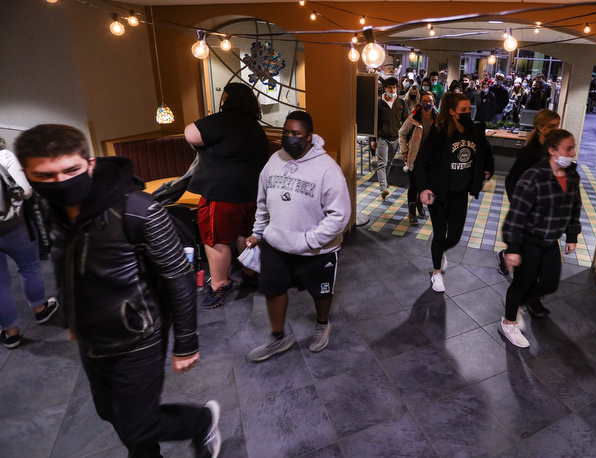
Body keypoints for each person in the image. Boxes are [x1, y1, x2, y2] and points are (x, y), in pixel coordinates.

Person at [14, 124, 220, 458]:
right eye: (45, 176)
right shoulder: (45, 207)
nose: (60, 183)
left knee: (138, 423)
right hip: (90, 335)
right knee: (111, 413)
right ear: (28, 174)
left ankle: (200, 421)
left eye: (71, 170)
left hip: (138, 335)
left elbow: (178, 276)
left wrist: (186, 343)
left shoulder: (138, 209)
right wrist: (69, 315)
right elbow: (64, 263)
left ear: (90, 165)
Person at [245, 111, 350, 362]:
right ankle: (278, 337)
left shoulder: (328, 170)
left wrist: (309, 240)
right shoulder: (274, 160)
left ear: (309, 137)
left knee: (321, 292)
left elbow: (340, 216)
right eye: (285, 132)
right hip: (276, 243)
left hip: (316, 250)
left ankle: (322, 324)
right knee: (272, 290)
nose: (288, 138)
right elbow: (263, 200)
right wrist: (258, 233)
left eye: (295, 134)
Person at [184, 82, 270, 309]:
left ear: (226, 98)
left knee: (216, 239)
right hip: (253, 194)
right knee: (246, 234)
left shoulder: (224, 120)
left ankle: (220, 284)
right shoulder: (255, 126)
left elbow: (190, 133)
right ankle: (250, 273)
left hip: (222, 194)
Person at [499, 129, 581, 348]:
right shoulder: (533, 177)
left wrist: (571, 234)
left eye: (573, 148)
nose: (572, 153)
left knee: (549, 283)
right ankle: (508, 323)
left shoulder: (571, 175)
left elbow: (575, 206)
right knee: (522, 282)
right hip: (528, 239)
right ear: (553, 151)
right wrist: (513, 247)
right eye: (568, 148)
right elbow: (516, 214)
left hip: (550, 239)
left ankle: (517, 305)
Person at [415, 93, 494, 293]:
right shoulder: (440, 133)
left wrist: (487, 170)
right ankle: (436, 273)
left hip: (460, 192)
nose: (468, 113)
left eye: (469, 109)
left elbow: (486, 152)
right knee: (439, 233)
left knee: (456, 236)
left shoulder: (474, 131)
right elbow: (421, 162)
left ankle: (440, 253)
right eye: (463, 110)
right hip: (437, 192)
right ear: (451, 112)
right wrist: (424, 188)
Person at [0, 139, 58, 349]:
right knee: (29, 268)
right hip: (15, 226)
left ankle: (10, 332)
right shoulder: (4, 156)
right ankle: (40, 310)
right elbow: (25, 191)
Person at [497, 109, 561, 279]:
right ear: (540, 127)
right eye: (551, 126)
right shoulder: (530, 153)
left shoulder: (554, 150)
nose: (556, 129)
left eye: (558, 126)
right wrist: (518, 206)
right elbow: (511, 179)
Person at [399, 91, 437, 225]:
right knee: (414, 185)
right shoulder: (414, 118)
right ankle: (412, 212)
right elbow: (402, 134)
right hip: (415, 157)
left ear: (434, 102)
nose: (427, 103)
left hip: (430, 158)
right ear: (420, 103)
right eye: (424, 101)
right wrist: (404, 151)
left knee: (427, 184)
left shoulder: (437, 118)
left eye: (430, 101)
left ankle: (421, 203)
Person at [373, 77, 407, 201]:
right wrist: (373, 139)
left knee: (389, 162)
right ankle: (383, 188)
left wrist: (405, 139)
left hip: (396, 138)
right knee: (382, 163)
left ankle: (384, 181)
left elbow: (405, 121)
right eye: (390, 87)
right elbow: (375, 122)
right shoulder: (379, 103)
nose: (392, 90)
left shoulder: (401, 103)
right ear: (385, 88)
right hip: (383, 137)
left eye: (394, 87)